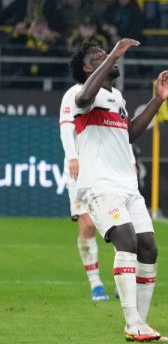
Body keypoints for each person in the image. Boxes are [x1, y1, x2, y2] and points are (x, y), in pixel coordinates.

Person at [68, 39, 168, 342]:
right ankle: (132, 323)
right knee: (125, 240)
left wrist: (157, 100)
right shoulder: (84, 94)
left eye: (108, 54)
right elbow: (84, 95)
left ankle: (142, 322)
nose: (108, 58)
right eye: (98, 57)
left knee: (149, 247)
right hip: (101, 186)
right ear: (89, 68)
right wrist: (113, 53)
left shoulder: (117, 99)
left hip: (127, 186)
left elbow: (128, 134)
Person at [60, 70, 108, 301]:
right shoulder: (74, 94)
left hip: (107, 168)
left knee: (117, 224)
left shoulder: (111, 94)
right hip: (80, 168)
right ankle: (95, 282)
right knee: (88, 225)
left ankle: (124, 278)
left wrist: (128, 161)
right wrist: (73, 157)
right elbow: (66, 128)